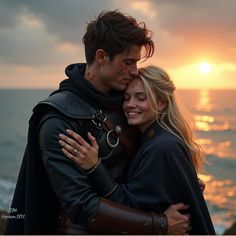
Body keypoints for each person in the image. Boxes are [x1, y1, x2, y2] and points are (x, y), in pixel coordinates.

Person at [5, 10, 190, 235]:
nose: (134, 72)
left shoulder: (127, 103)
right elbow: (82, 205)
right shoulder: (59, 120)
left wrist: (178, 180)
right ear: (101, 57)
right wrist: (160, 224)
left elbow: (147, 162)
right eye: (128, 62)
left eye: (136, 63)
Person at [59, 65, 216, 235]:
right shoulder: (154, 140)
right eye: (126, 98)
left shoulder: (162, 147)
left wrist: (94, 166)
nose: (130, 105)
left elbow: (127, 206)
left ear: (162, 103)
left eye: (141, 98)